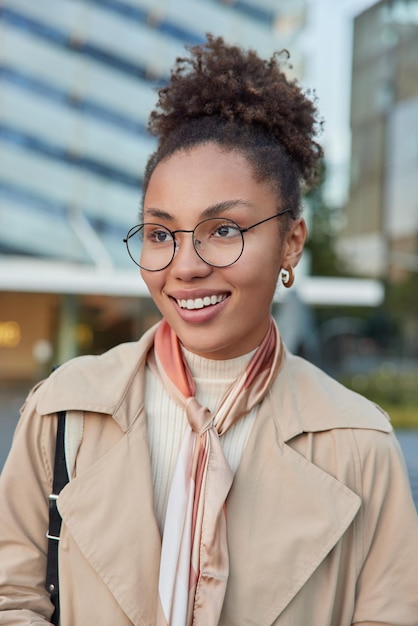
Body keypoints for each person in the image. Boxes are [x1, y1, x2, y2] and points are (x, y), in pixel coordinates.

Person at [0, 34, 417, 626]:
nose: (186, 265)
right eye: (160, 233)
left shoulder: (359, 443)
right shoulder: (63, 412)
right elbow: (11, 600)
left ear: (291, 241)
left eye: (224, 230)